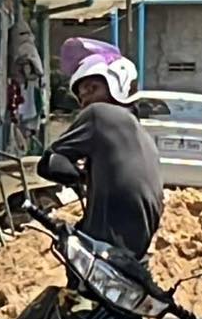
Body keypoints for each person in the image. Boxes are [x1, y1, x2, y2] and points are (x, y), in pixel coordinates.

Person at [43, 39, 163, 257]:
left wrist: (75, 175)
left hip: (105, 248)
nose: (85, 100)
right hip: (135, 254)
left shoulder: (99, 113)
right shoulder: (143, 136)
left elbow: (49, 162)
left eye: (92, 88)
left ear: (118, 84)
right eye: (81, 96)